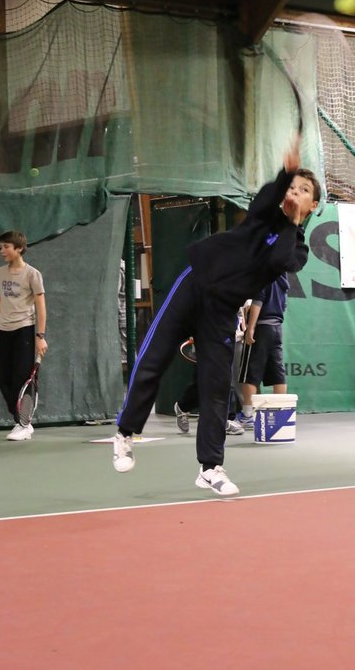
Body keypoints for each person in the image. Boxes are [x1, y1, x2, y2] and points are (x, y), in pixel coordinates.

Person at [113, 135, 321, 495]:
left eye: (303, 190)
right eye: (292, 186)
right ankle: (125, 433)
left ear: (313, 205)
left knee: (215, 387)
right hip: (194, 284)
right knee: (154, 358)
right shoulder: (264, 214)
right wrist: (284, 175)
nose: (294, 192)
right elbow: (264, 198)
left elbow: (277, 261)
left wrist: (292, 222)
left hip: (222, 310)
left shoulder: (297, 249)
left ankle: (210, 468)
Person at [0, 231, 48, 440]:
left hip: (24, 330)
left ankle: (23, 424)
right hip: (4, 331)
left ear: (19, 248)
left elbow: (41, 307)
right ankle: (21, 420)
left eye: (6, 247)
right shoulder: (0, 272)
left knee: (21, 379)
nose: (2, 251)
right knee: (3, 379)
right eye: (1, 247)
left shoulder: (33, 274)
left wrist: (40, 336)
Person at [237, 274, 290, 429]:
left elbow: (258, 301)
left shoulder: (264, 276)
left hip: (261, 329)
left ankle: (247, 416)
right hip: (277, 329)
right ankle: (279, 415)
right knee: (277, 373)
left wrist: (250, 328)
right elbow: (283, 305)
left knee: (250, 373)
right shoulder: (283, 278)